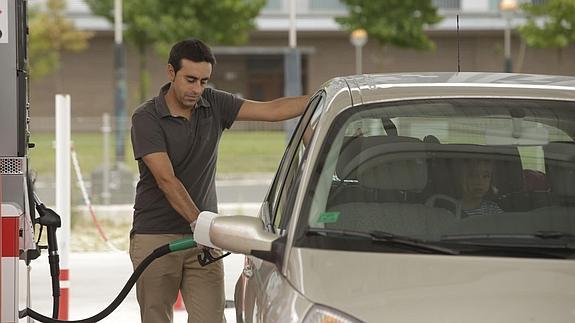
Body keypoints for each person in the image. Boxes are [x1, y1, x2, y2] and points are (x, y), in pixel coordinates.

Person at [129, 39, 310, 323]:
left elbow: (272, 110)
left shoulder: (214, 104)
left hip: (203, 238)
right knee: (156, 318)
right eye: (190, 80)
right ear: (170, 72)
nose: (197, 89)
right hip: (156, 236)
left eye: (203, 81)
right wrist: (201, 224)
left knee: (211, 319)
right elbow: (167, 180)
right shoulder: (146, 118)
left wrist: (326, 95)